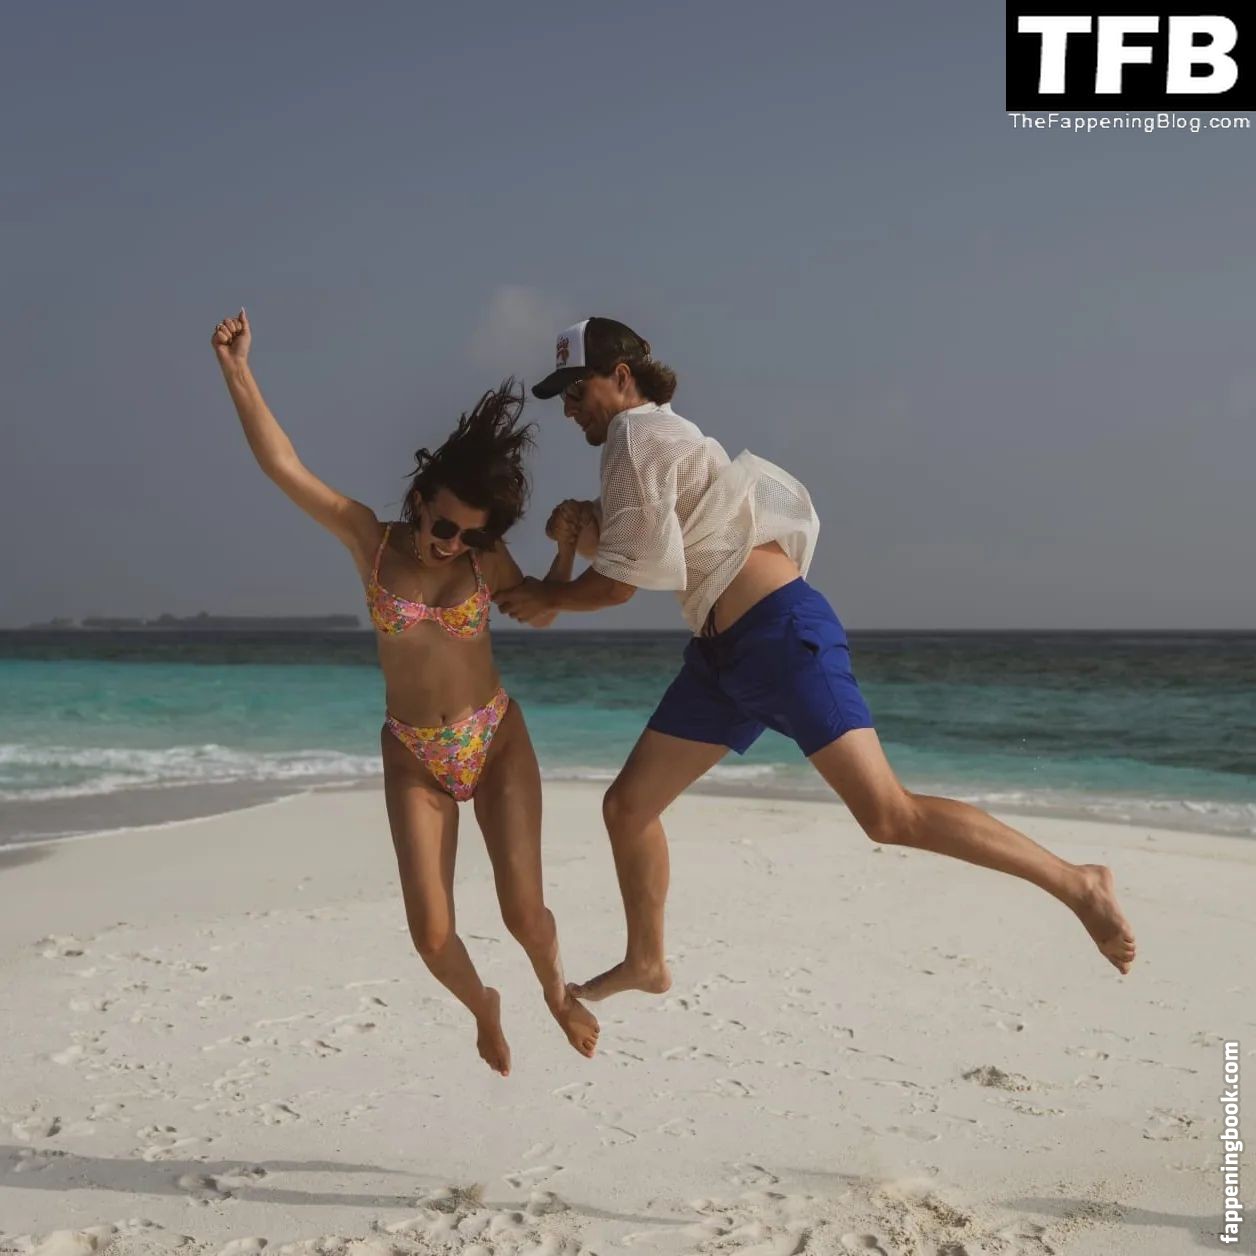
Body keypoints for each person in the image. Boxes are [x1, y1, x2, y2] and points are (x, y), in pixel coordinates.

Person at [496, 317, 1137, 1005]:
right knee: (628, 807)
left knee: (888, 815)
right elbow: (660, 550)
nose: (570, 409)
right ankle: (648, 960)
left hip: (778, 636)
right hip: (723, 655)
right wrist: (576, 537)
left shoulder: (635, 433)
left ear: (621, 378)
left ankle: (1079, 883)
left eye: (577, 390)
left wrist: (547, 592)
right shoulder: (658, 438)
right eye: (562, 398)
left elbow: (619, 585)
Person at [211, 308, 599, 1075]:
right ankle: (484, 1006)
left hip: (494, 738)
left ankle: (557, 993)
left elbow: (542, 612)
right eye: (446, 527)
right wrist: (238, 371)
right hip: (414, 755)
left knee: (525, 914)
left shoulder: (484, 560)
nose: (452, 545)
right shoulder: (372, 540)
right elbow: (284, 466)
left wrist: (562, 557)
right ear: (421, 499)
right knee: (431, 936)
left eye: (470, 536)